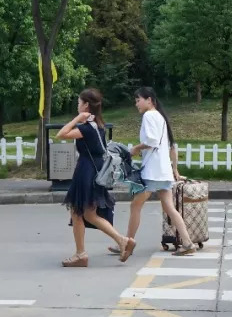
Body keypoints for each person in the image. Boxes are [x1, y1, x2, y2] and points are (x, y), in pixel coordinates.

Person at [55, 89, 135, 267]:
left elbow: (61, 134)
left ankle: (119, 241)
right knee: (80, 213)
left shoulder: (86, 128)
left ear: (86, 105)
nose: (77, 105)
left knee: (85, 213)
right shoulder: (99, 125)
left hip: (86, 171)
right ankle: (82, 253)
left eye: (79, 102)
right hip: (95, 170)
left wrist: (77, 119)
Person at [114, 87, 198, 257]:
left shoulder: (149, 115)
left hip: (153, 171)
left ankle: (126, 242)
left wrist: (137, 147)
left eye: (138, 100)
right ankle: (187, 242)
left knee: (136, 205)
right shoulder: (159, 116)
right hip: (162, 170)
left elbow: (151, 140)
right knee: (169, 207)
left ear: (149, 100)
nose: (136, 103)